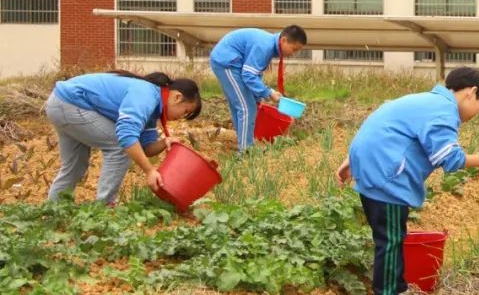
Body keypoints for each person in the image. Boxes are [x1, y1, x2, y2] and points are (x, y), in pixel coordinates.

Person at [334, 67, 479, 295]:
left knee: (394, 235)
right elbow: (450, 158)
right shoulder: (443, 110)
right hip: (387, 176)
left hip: (377, 167)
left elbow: (382, 121)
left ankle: (397, 292)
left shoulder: (424, 101)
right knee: (389, 240)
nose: (477, 113)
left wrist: (353, 158)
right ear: (471, 92)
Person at [45, 71, 202, 204]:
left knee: (74, 166)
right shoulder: (146, 94)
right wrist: (149, 171)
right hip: (70, 103)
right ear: (177, 97)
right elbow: (126, 136)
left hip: (61, 102)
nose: (181, 117)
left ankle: (53, 210)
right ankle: (104, 208)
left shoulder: (153, 110)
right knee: (120, 146)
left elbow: (145, 148)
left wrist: (164, 142)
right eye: (185, 111)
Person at [209, 25, 307, 153]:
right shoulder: (265, 46)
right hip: (227, 63)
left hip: (234, 63)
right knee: (246, 108)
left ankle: (245, 145)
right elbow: (248, 75)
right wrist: (268, 92)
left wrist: (258, 96)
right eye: (294, 49)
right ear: (283, 40)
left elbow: (255, 71)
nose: (293, 54)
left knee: (243, 105)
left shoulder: (270, 45)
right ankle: (245, 151)